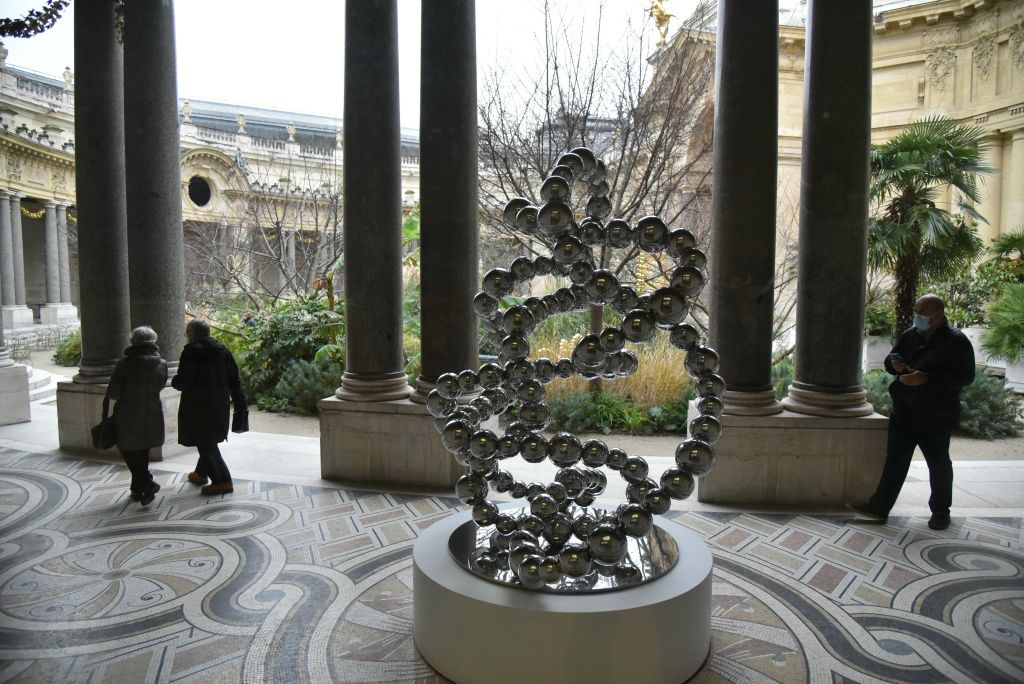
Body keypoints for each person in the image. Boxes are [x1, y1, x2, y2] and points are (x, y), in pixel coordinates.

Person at [848, 294, 975, 530]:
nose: (917, 316)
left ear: (938, 315)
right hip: (905, 411)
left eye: (922, 312)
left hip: (936, 414)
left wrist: (926, 379)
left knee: (938, 463)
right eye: (916, 310)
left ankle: (940, 512)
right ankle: (880, 507)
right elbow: (891, 360)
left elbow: (965, 377)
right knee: (895, 460)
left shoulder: (956, 341)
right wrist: (893, 364)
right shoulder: (910, 335)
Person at [172, 318, 247, 496]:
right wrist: (239, 404)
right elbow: (234, 381)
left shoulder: (191, 352)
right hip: (219, 403)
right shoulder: (223, 351)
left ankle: (222, 480)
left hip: (197, 405)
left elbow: (184, 381)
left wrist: (174, 381)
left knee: (205, 443)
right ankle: (201, 473)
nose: (186, 335)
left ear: (193, 333)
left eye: (188, 332)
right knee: (208, 439)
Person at [106, 325, 168, 506]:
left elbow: (114, 393)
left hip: (128, 413)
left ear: (133, 341)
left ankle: (147, 483)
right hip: (153, 412)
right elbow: (161, 386)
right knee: (142, 451)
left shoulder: (124, 365)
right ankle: (137, 488)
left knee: (128, 450)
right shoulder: (162, 364)